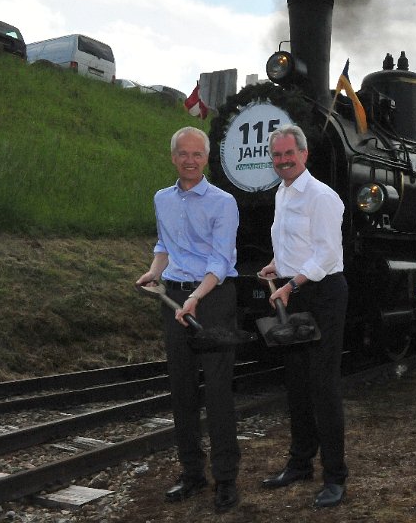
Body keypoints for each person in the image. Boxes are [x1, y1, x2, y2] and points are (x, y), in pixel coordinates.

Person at [135, 126, 241, 513]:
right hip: (174, 298)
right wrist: (154, 271)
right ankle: (192, 473)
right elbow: (164, 245)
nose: (190, 160)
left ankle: (226, 480)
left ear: (207, 159)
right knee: (181, 391)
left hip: (212, 299)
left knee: (216, 394)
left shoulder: (223, 202)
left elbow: (221, 259)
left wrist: (195, 298)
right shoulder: (162, 198)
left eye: (197, 154)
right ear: (173, 157)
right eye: (183, 154)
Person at [257, 124, 349, 508]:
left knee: (322, 386)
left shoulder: (321, 196)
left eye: (288, 155)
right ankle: (300, 463)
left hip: (322, 294)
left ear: (304, 154)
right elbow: (297, 244)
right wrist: (275, 265)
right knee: (296, 384)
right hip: (292, 290)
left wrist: (291, 285)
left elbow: (326, 254)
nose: (282, 161)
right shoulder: (282, 193)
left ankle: (335, 476)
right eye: (276, 156)